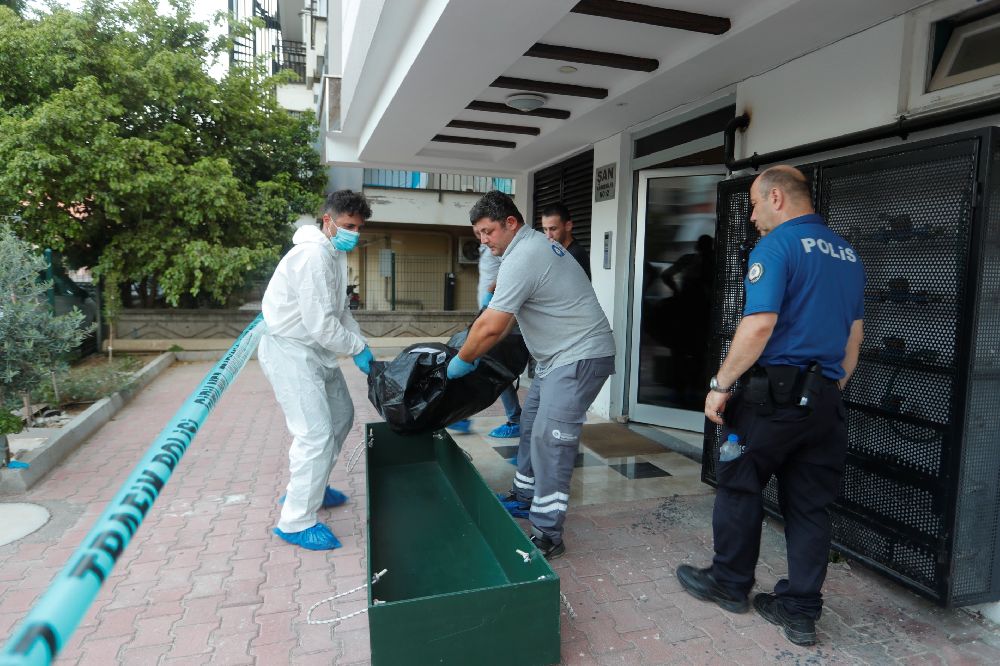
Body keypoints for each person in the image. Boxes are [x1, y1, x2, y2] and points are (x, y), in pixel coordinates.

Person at [675, 166, 864, 646]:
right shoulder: (848, 254)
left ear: (776, 197)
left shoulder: (776, 247)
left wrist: (721, 383)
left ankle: (729, 583)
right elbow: (853, 337)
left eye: (756, 205)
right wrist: (827, 388)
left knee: (739, 485)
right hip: (824, 399)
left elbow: (758, 325)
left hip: (772, 397)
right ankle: (799, 611)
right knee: (810, 507)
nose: (754, 217)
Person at [448, 190, 615, 559]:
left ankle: (547, 533)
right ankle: (525, 496)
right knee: (530, 426)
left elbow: (493, 326)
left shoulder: (524, 254)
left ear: (510, 223)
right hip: (555, 359)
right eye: (478, 234)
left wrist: (462, 360)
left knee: (550, 440)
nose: (484, 240)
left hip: (579, 356)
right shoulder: (528, 249)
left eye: (488, 231)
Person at [258, 190, 375, 551]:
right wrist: (357, 349)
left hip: (316, 352)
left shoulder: (333, 254)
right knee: (315, 434)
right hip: (291, 352)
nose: (353, 232)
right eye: (347, 225)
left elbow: (340, 312)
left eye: (358, 227)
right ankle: (295, 520)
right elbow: (320, 324)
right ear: (328, 221)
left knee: (341, 416)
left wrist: (360, 340)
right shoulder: (312, 255)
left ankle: (313, 487)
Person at [448, 243, 525, 439]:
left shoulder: (509, 250)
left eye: (486, 230)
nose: (482, 235)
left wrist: (490, 307)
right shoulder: (489, 245)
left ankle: (515, 420)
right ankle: (513, 418)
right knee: (496, 371)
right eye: (479, 230)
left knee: (493, 370)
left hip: (505, 322)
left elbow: (509, 276)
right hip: (493, 316)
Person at [540, 202, 590, 279]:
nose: (548, 235)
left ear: (568, 226)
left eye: (553, 229)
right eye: (545, 229)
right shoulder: (561, 252)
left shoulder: (574, 255)